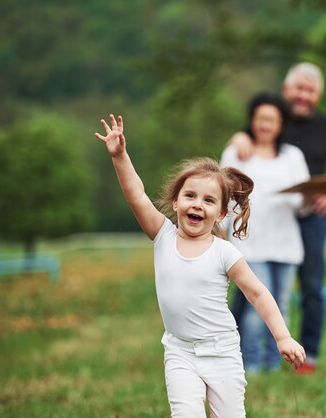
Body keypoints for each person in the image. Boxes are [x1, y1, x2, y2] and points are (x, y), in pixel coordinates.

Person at [94, 114, 305, 417]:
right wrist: (120, 157)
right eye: (190, 196)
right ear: (176, 202)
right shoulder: (163, 236)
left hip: (222, 352)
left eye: (208, 201)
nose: (197, 204)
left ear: (220, 215)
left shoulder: (224, 253)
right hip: (179, 351)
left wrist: (282, 336)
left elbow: (258, 293)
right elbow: (136, 195)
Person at [229, 63, 326, 374]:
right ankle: (235, 349)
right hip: (263, 221)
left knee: (311, 286)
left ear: (318, 95)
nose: (304, 96)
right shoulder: (274, 117)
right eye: (299, 89)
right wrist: (238, 137)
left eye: (311, 91)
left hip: (308, 214)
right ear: (286, 90)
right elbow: (247, 136)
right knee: (250, 287)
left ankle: (308, 356)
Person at [221, 92, 310, 373]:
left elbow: (303, 204)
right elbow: (222, 197)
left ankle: (275, 364)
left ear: (281, 124)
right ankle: (250, 364)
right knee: (258, 306)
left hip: (286, 244)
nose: (265, 124)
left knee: (281, 306)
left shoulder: (292, 156)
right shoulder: (236, 153)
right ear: (252, 121)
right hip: (250, 244)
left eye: (272, 119)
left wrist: (309, 196)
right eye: (261, 118)